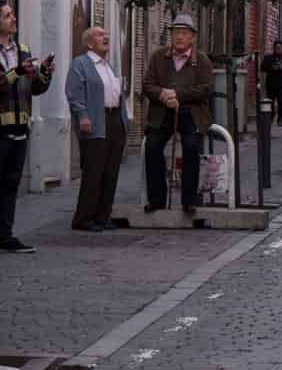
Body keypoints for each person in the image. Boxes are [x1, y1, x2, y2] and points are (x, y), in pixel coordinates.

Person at [0, 0, 54, 254]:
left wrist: (44, 74)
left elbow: (34, 89)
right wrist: (15, 72)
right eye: (8, 16)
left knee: (11, 185)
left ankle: (6, 236)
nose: (14, 19)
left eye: (12, 15)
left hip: (20, 127)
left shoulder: (23, 49)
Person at [144, 13, 214, 215]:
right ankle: (156, 198)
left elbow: (205, 88)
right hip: (162, 113)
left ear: (192, 37)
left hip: (191, 113)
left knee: (191, 148)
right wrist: (164, 96)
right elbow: (148, 85)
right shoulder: (159, 57)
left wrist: (178, 95)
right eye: (176, 32)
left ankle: (189, 201)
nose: (179, 37)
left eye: (184, 33)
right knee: (152, 146)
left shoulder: (202, 60)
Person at [66, 26, 130, 233]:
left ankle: (103, 216)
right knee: (94, 171)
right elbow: (74, 94)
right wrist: (83, 116)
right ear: (89, 43)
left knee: (111, 171)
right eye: (100, 35)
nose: (106, 37)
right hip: (95, 121)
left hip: (114, 120)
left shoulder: (108, 66)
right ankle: (84, 218)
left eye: (106, 34)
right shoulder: (81, 64)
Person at [260, 41, 282, 127]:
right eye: (276, 47)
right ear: (274, 48)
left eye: (280, 47)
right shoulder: (268, 57)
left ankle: (280, 119)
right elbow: (263, 67)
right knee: (270, 102)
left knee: (281, 102)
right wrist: (272, 67)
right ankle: (271, 117)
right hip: (271, 84)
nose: (278, 49)